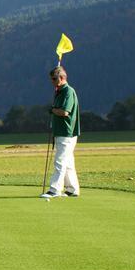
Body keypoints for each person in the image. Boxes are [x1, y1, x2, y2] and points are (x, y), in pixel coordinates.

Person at [41, 66, 80, 199]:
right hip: (61, 132)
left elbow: (64, 112)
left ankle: (55, 189)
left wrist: (52, 110)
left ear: (62, 78)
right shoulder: (59, 91)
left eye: (54, 79)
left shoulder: (67, 91)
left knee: (60, 161)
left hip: (66, 132)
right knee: (68, 162)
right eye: (51, 79)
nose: (52, 82)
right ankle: (72, 189)